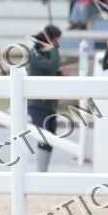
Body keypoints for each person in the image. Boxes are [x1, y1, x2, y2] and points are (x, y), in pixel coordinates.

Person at [26, 25, 64, 172]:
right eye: (57, 41)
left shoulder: (46, 52)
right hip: (37, 104)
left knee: (50, 137)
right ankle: (41, 172)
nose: (58, 44)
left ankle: (43, 172)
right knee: (44, 136)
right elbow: (52, 65)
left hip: (50, 104)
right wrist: (54, 49)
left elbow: (54, 69)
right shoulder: (35, 53)